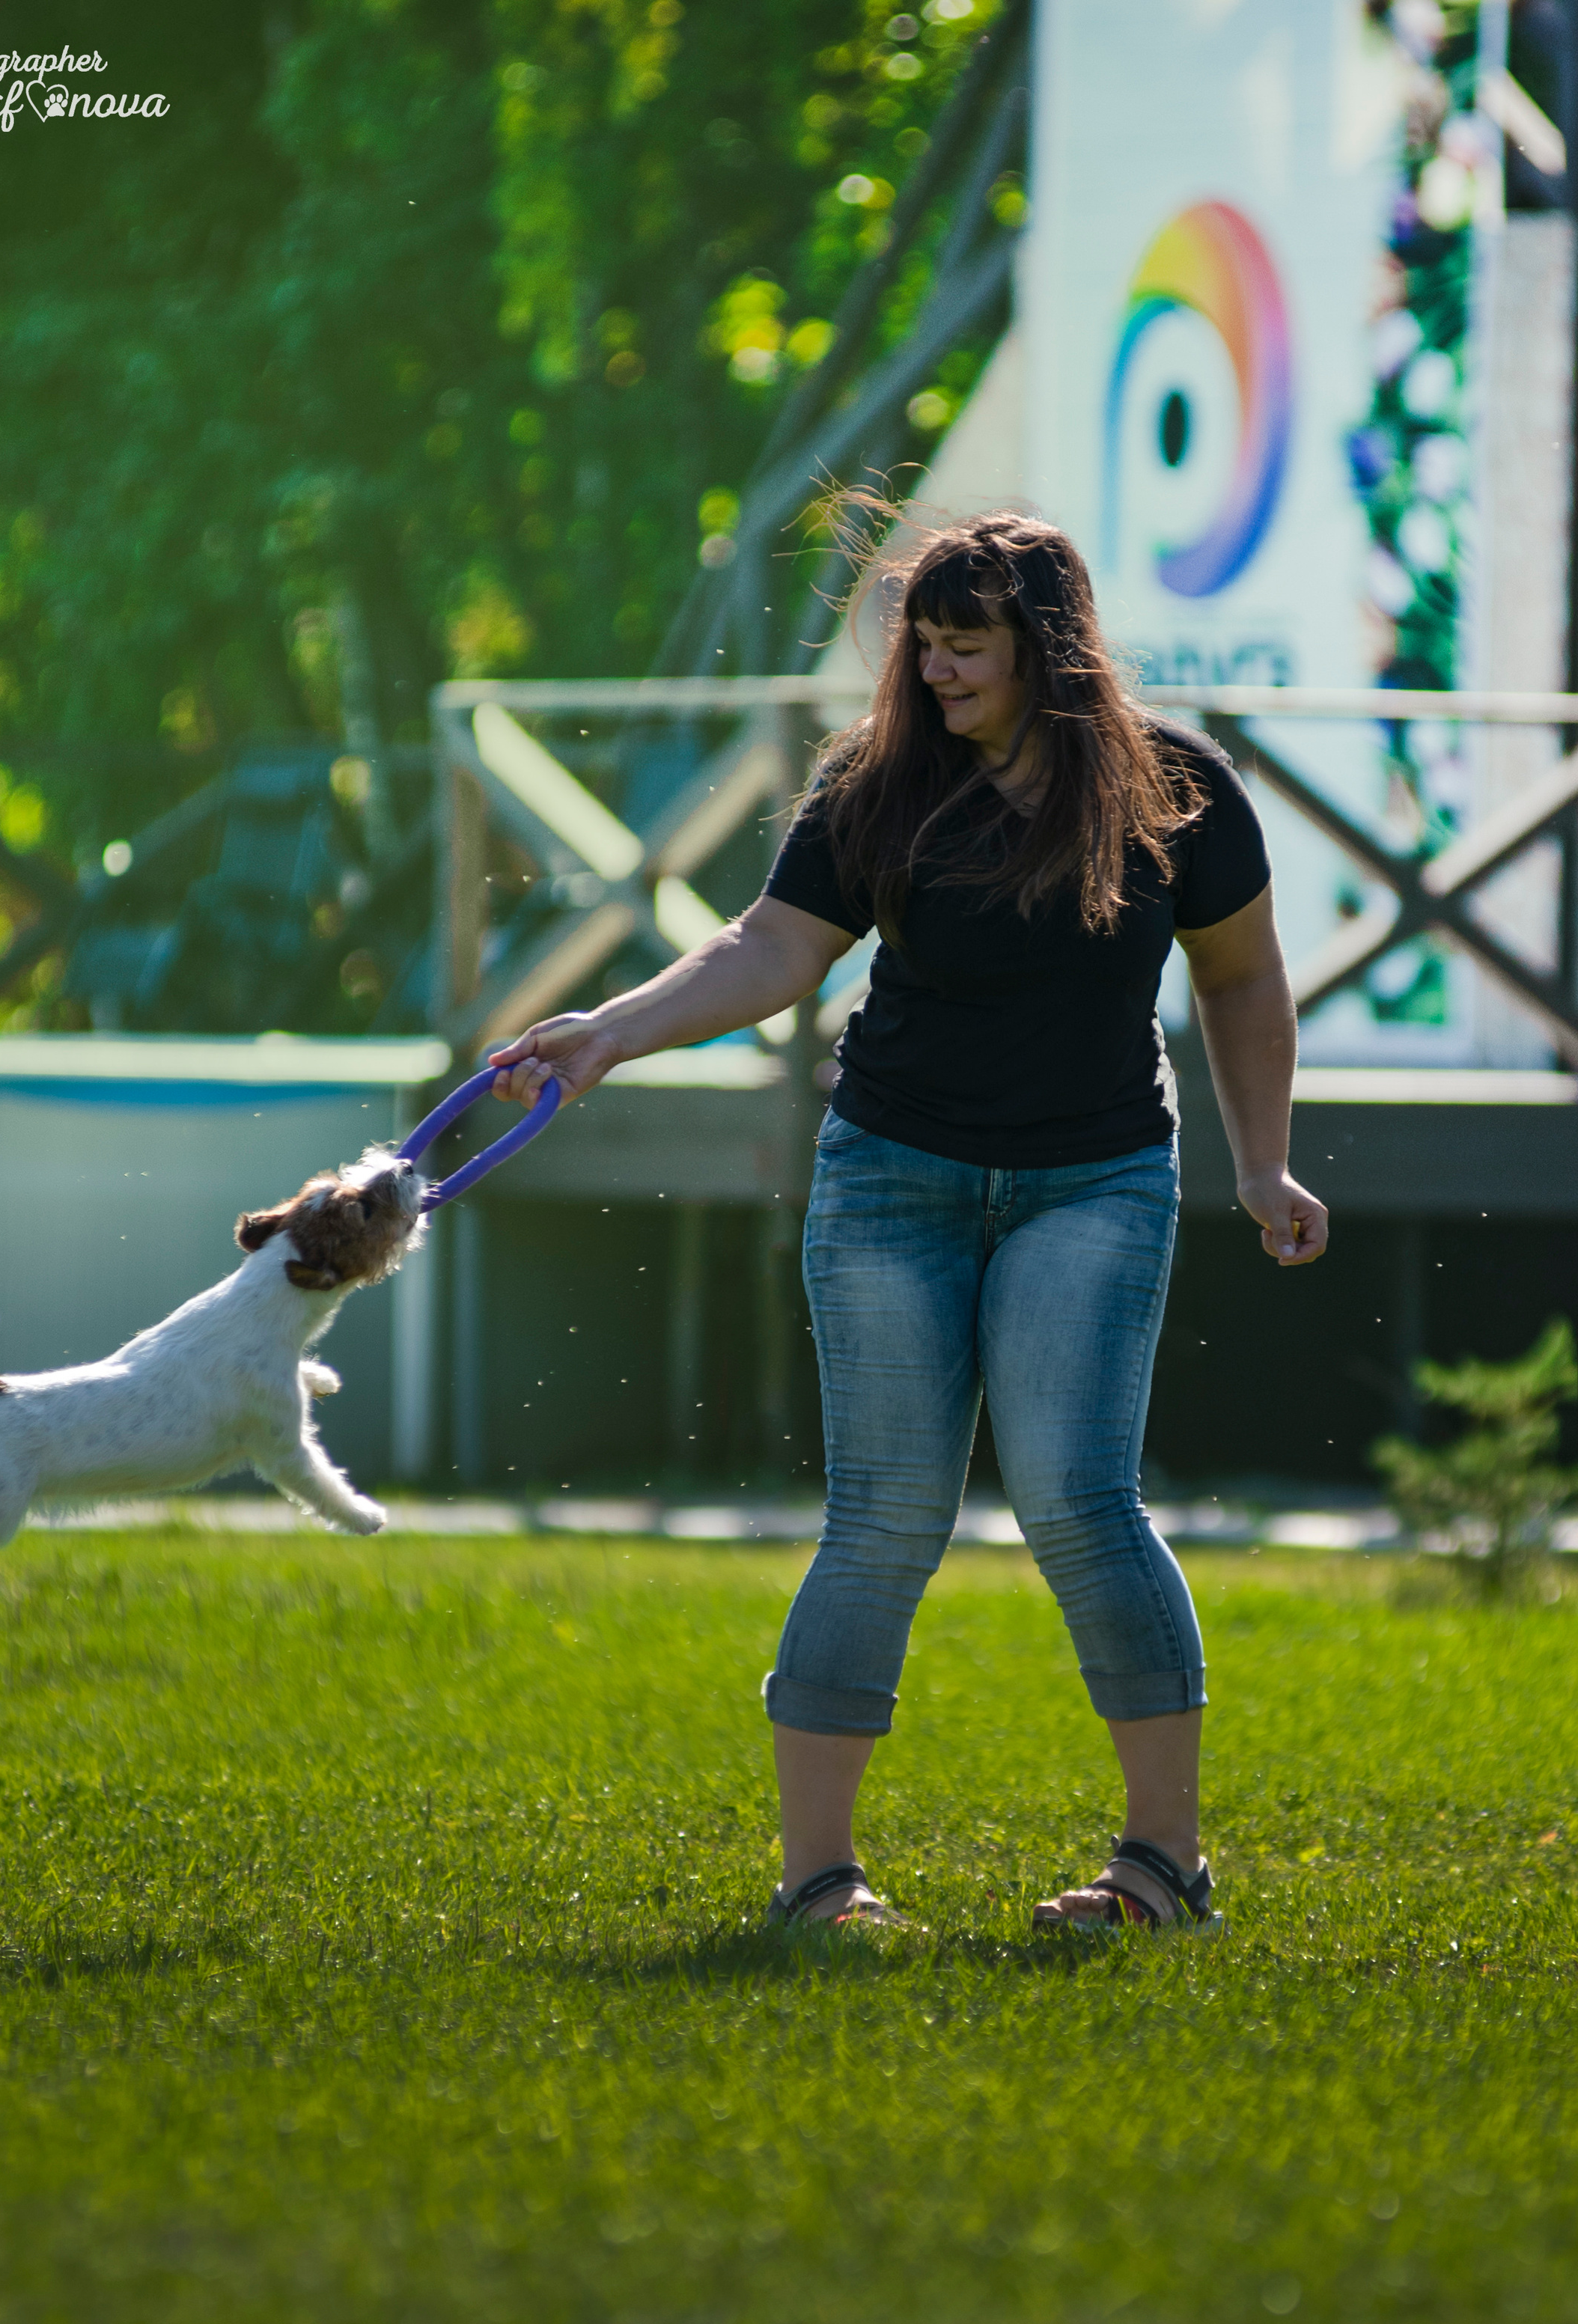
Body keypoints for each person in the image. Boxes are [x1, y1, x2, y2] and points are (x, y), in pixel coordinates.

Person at [490, 510, 1328, 1933]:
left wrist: (1263, 1165)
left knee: (1079, 1500)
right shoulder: (878, 784)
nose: (935, 673)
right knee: (882, 1517)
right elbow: (770, 946)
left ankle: (1161, 1872)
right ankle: (818, 1885)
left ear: (1045, 650)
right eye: (924, 644)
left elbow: (1243, 980)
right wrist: (611, 1034)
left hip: (1096, 1178)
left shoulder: (1177, 787)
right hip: (892, 1177)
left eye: (967, 646)